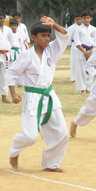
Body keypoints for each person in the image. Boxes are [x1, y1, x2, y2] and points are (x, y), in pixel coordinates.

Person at [6, 16, 70, 172]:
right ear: (34, 38)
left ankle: (51, 163)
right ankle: (15, 150)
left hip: (50, 96)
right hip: (32, 98)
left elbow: (65, 35)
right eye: (43, 35)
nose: (47, 39)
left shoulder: (52, 51)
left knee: (62, 133)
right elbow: (11, 73)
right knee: (30, 137)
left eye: (48, 35)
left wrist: (54, 24)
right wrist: (13, 93)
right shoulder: (27, 55)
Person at [74, 10, 96, 95]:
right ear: (82, 19)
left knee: (90, 70)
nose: (86, 20)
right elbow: (77, 42)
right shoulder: (78, 29)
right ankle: (82, 89)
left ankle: (89, 88)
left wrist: (91, 51)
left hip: (91, 51)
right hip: (82, 51)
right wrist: (84, 51)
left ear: (91, 18)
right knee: (81, 71)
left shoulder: (94, 29)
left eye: (88, 18)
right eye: (84, 18)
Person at [67, 13, 83, 83]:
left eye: (80, 19)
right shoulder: (71, 28)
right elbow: (68, 38)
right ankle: (74, 78)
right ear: (74, 20)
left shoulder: (84, 27)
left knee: (82, 62)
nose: (79, 21)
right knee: (74, 62)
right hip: (75, 45)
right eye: (77, 19)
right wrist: (71, 45)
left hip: (83, 45)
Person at [9, 19, 24, 86]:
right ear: (10, 26)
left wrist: (23, 54)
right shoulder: (8, 34)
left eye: (15, 25)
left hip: (18, 52)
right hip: (10, 52)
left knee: (19, 68)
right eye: (12, 26)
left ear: (17, 26)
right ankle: (11, 83)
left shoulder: (20, 34)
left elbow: (22, 45)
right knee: (11, 68)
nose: (13, 27)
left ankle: (20, 83)